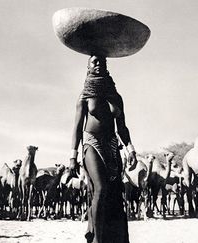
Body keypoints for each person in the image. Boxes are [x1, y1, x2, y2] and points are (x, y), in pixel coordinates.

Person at [69, 55, 138, 243]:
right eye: (94, 62)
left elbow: (122, 127)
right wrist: (73, 157)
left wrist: (131, 149)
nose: (99, 64)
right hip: (91, 143)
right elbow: (76, 127)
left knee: (115, 192)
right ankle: (96, 238)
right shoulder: (84, 96)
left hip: (112, 144)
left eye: (102, 61)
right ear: (88, 66)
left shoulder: (116, 97)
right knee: (100, 187)